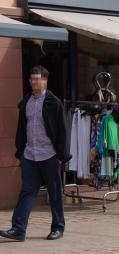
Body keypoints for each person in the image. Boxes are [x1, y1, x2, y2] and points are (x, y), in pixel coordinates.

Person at [0, 66, 69, 242]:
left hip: (49, 155)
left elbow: (62, 130)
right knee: (27, 192)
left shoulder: (54, 103)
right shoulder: (26, 103)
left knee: (54, 193)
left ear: (45, 80)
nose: (34, 82)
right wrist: (20, 151)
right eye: (32, 79)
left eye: (37, 79)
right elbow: (21, 129)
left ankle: (58, 228)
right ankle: (18, 229)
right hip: (30, 155)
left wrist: (61, 155)